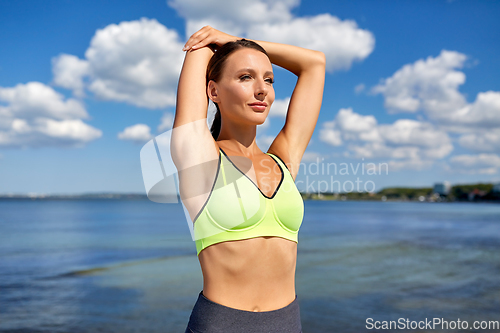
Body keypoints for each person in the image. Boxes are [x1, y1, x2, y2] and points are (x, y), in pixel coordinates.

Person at [171, 26, 325, 333]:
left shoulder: (283, 161)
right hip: (221, 325)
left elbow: (314, 63)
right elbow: (200, 48)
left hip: (287, 323)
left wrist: (235, 42)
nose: (262, 89)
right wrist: (225, 45)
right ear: (212, 91)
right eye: (245, 77)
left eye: (268, 79)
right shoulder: (199, 158)